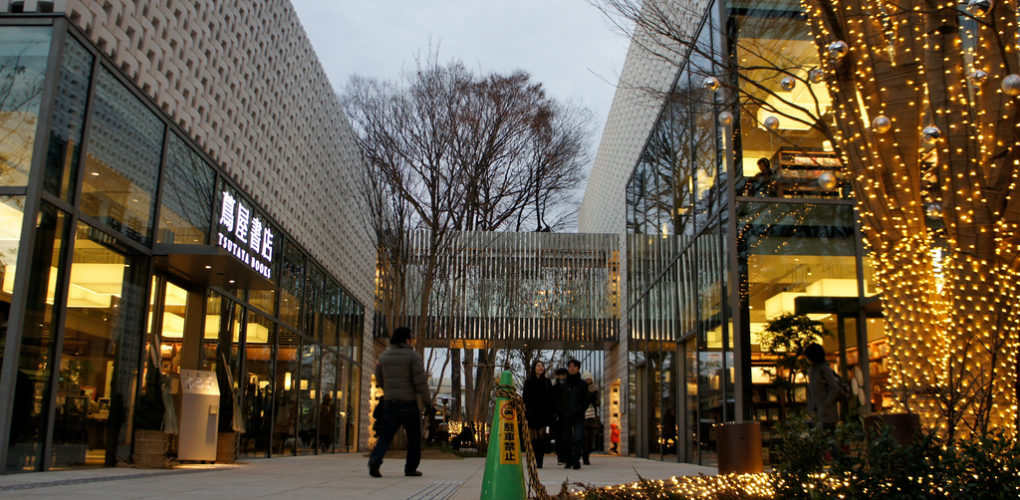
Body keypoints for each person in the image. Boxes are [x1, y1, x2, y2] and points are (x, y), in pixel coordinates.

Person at [368, 326, 429, 478]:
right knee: (414, 438)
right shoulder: (413, 357)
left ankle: (375, 460)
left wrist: (389, 392)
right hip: (409, 403)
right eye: (412, 338)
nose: (413, 341)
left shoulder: (383, 357)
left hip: (390, 403)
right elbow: (420, 382)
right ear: (407, 339)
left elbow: (379, 379)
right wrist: (428, 402)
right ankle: (410, 468)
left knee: (386, 435)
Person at [556, 359, 588, 469]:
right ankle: (568, 460)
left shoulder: (583, 384)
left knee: (578, 437)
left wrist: (580, 409)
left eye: (574, 366)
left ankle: (576, 459)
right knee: (566, 439)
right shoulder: (563, 384)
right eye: (570, 366)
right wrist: (560, 410)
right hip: (565, 415)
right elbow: (558, 399)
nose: (572, 368)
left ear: (578, 368)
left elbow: (585, 400)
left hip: (578, 415)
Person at [523, 360, 554, 468]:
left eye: (542, 366)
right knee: (534, 438)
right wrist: (527, 411)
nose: (541, 367)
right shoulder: (529, 382)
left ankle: (540, 461)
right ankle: (535, 458)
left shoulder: (547, 382)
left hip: (544, 415)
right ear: (534, 368)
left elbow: (551, 399)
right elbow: (525, 398)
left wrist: (550, 414)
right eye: (538, 366)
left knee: (541, 437)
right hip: (532, 414)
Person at [804, 342, 840, 431]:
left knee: (827, 438)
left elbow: (834, 388)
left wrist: (824, 405)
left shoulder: (824, 368)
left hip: (827, 414)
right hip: (817, 413)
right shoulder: (812, 370)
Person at [552, 367, 570, 464]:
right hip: (557, 416)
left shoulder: (569, 386)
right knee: (558, 437)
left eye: (563, 375)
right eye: (559, 375)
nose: (561, 377)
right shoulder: (554, 387)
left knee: (566, 437)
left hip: (567, 415)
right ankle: (560, 456)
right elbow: (552, 401)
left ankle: (566, 456)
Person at [581, 371, 600, 465]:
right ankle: (585, 458)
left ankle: (587, 453)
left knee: (591, 440)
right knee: (585, 439)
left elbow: (598, 402)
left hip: (592, 417)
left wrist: (594, 398)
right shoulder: (581, 389)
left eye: (589, 379)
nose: (588, 381)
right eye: (586, 379)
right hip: (584, 417)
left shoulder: (595, 389)